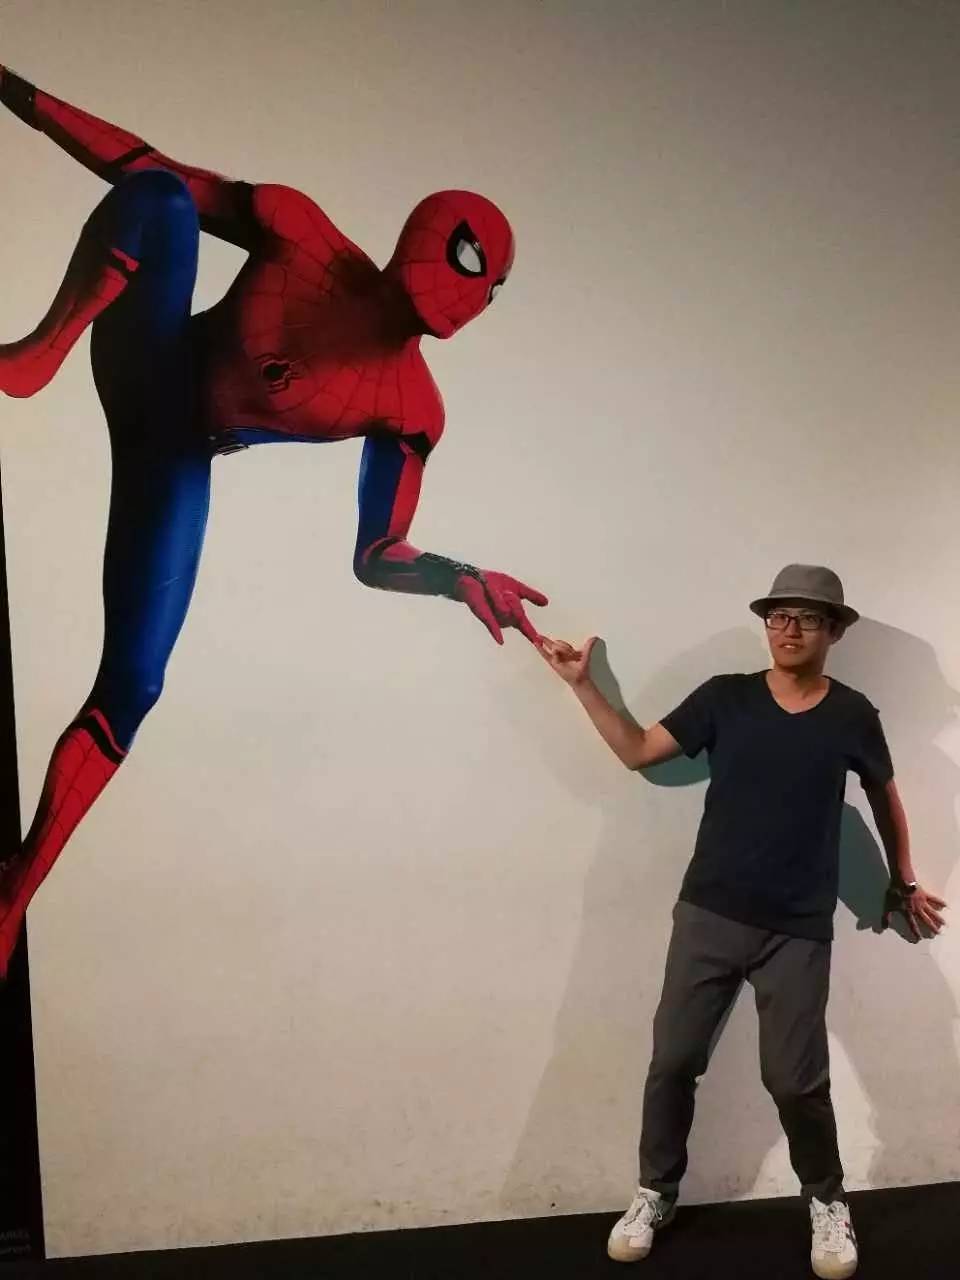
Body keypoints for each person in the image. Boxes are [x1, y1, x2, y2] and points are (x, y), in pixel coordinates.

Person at [0, 65, 546, 978]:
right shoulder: (301, 235)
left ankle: (15, 893)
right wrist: (17, 92)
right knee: (161, 198)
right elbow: (137, 164)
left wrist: (456, 578)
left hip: (177, 454)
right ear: (424, 233)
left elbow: (377, 553)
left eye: (490, 285)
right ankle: (33, 356)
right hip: (147, 355)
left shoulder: (412, 409)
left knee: (134, 685)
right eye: (466, 259)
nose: (471, 289)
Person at [539, 564, 947, 1280]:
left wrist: (902, 878)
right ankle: (655, 1193)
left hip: (797, 928)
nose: (789, 629)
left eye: (808, 618)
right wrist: (583, 686)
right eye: (778, 615)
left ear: (834, 631)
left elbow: (885, 796)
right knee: (673, 1062)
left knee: (795, 1082)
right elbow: (639, 752)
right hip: (710, 914)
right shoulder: (725, 697)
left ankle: (826, 1200)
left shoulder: (853, 714)